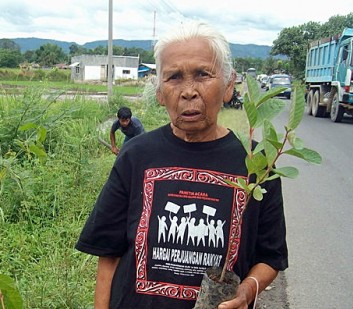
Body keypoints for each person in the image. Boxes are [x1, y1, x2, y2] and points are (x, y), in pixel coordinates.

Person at [75, 21, 288, 309]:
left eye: (203, 74)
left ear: (228, 86)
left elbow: (270, 255)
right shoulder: (136, 155)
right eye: (174, 77)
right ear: (160, 93)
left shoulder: (258, 164)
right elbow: (108, 255)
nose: (188, 91)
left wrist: (248, 290)